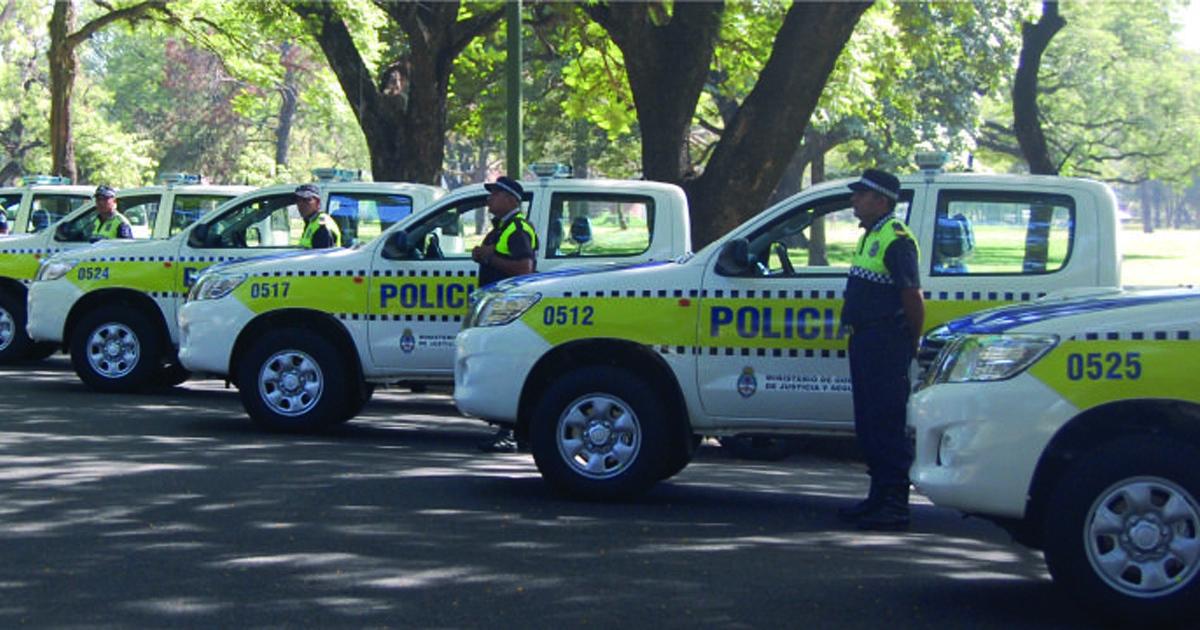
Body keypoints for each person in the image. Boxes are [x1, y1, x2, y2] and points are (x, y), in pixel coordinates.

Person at [837, 169, 925, 531]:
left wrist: (910, 342)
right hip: (866, 339)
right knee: (869, 422)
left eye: (862, 195)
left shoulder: (896, 239)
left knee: (886, 422)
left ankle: (894, 503)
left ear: (881, 201)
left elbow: (912, 297)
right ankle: (877, 496)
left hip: (886, 341)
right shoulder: (871, 235)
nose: (855, 200)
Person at [471, 175, 538, 453]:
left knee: (506, 367)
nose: (490, 198)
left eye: (495, 193)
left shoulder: (517, 228)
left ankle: (509, 434)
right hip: (498, 308)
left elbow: (525, 269)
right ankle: (511, 432)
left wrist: (487, 256)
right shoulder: (504, 227)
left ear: (511, 199)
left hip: (510, 310)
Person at [294, 183, 341, 249]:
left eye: (306, 200)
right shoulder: (311, 222)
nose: (301, 204)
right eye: (298, 200)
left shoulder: (322, 225)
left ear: (318, 202)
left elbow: (322, 257)